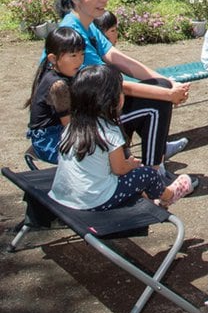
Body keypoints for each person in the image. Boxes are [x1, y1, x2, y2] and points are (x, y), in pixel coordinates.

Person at [54, 0, 190, 178]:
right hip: (82, 120)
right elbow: (109, 85)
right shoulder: (73, 34)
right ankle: (154, 174)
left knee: (160, 88)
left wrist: (167, 82)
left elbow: (122, 61)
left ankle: (155, 163)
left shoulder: (87, 25)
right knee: (157, 103)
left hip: (97, 107)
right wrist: (168, 94)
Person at [49, 66, 193, 211]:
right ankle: (169, 195)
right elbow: (119, 169)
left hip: (64, 197)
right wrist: (131, 164)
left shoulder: (72, 125)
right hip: (96, 201)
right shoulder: (109, 131)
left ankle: (149, 197)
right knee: (147, 174)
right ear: (112, 100)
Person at [26, 25, 85, 163]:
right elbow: (69, 126)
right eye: (73, 55)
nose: (80, 60)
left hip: (56, 132)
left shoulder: (58, 71)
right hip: (48, 140)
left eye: (82, 54)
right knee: (98, 154)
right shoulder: (58, 86)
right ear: (53, 58)